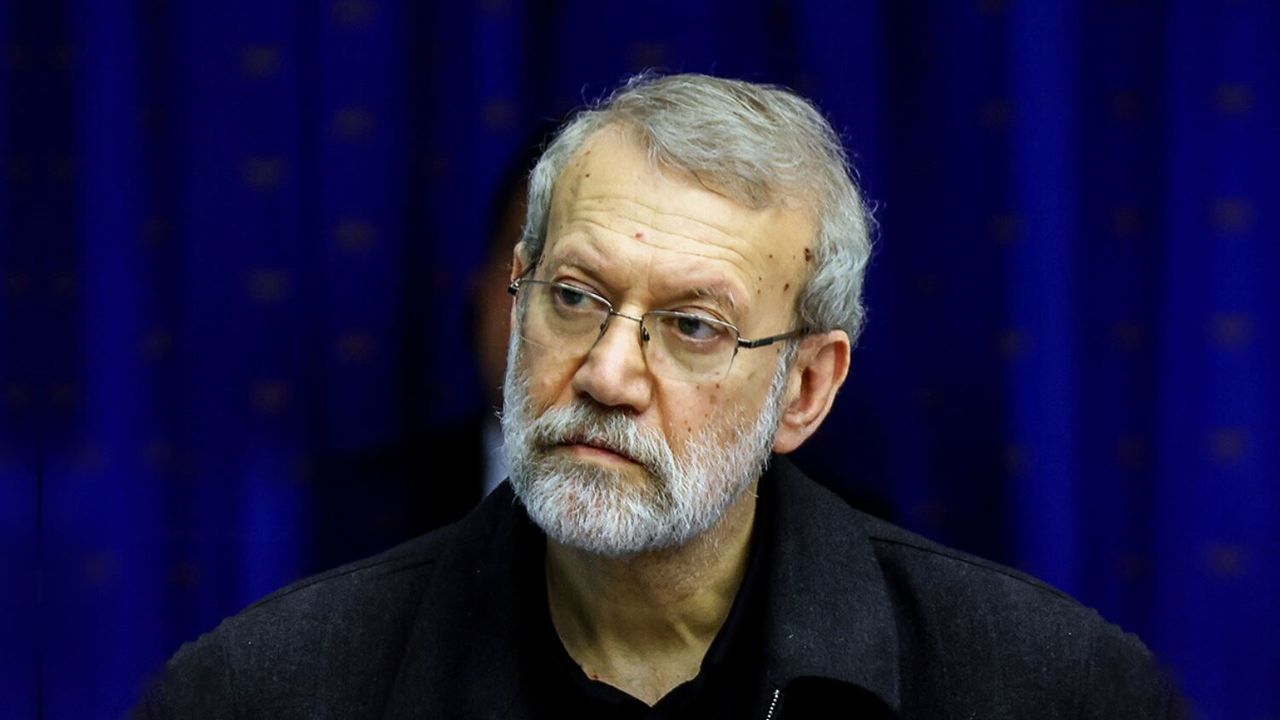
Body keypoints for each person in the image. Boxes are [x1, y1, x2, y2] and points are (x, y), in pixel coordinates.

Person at [137, 73, 1181, 719]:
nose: (605, 373)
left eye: (692, 327)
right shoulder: (254, 693)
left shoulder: (1057, 691)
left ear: (804, 389)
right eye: (574, 297)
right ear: (514, 296)